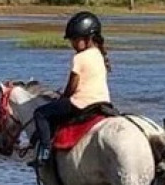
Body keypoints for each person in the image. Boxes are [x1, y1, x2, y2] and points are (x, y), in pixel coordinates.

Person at [31, 10, 112, 166]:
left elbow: (72, 86)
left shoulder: (79, 57)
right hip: (103, 102)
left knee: (40, 113)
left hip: (81, 103)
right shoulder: (99, 55)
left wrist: (64, 96)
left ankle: (45, 153)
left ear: (88, 38)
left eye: (76, 39)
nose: (73, 44)